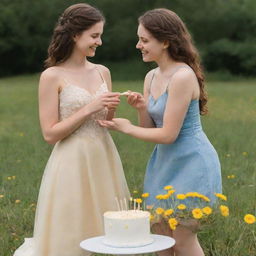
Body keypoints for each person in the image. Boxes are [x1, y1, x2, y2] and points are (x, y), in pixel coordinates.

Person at [99, 8, 222, 256]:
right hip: (163, 163)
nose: (138, 45)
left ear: (165, 41)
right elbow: (150, 131)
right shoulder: (151, 76)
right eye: (139, 39)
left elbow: (168, 135)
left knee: (183, 240)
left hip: (191, 163)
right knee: (159, 239)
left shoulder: (183, 76)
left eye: (144, 40)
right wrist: (142, 109)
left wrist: (127, 128)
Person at [14, 3, 130, 256]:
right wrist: (89, 108)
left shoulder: (103, 72)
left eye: (100, 35)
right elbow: (50, 134)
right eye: (94, 36)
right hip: (71, 159)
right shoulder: (52, 76)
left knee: (106, 226)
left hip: (103, 155)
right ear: (75, 35)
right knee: (72, 225)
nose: (99, 42)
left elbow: (106, 121)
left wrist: (115, 107)